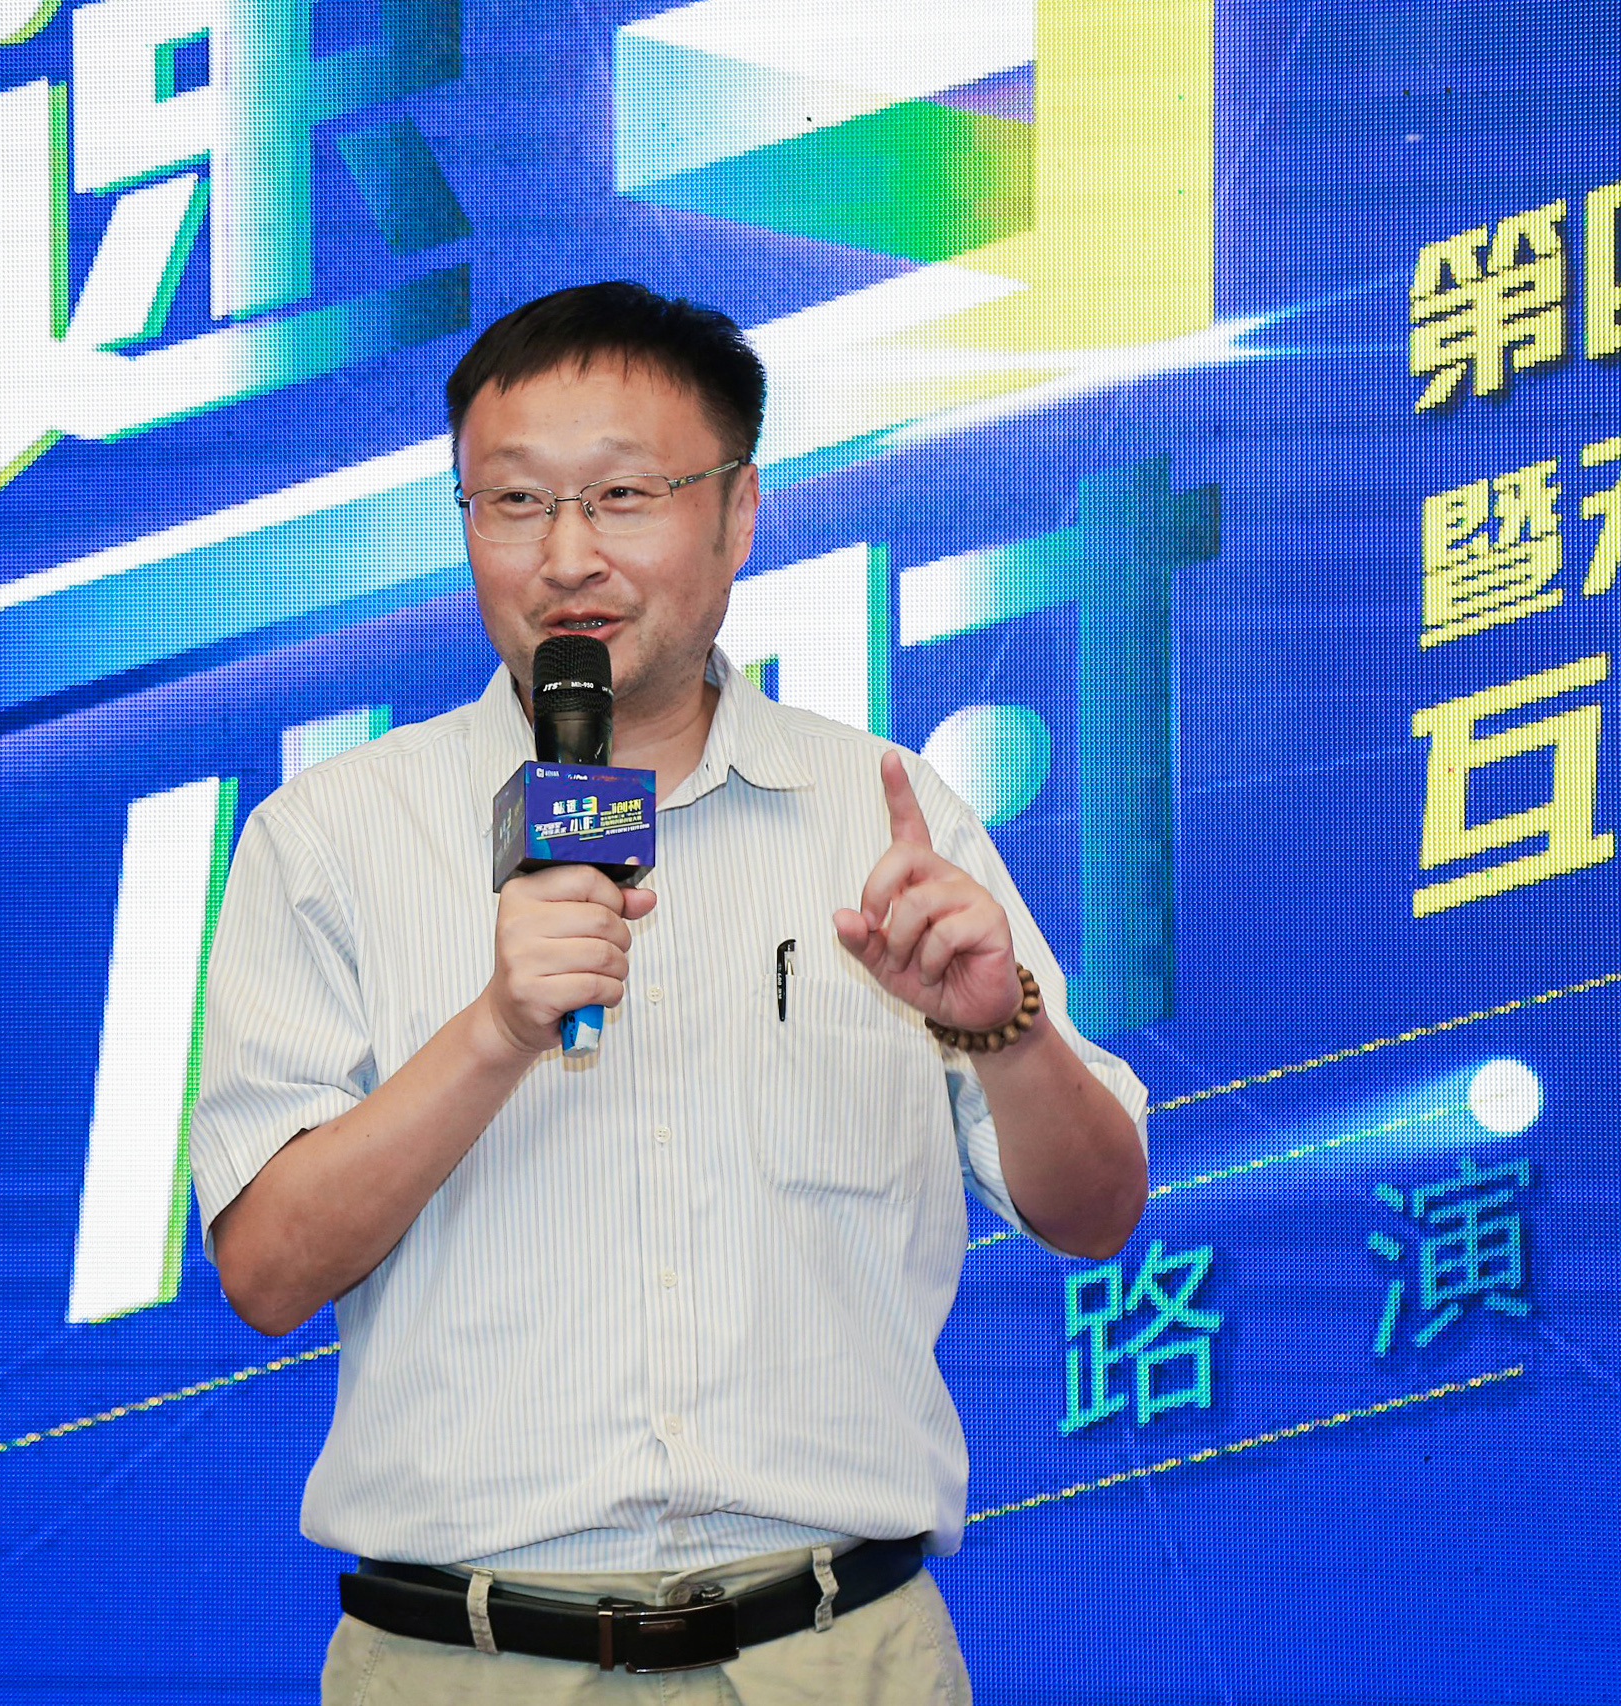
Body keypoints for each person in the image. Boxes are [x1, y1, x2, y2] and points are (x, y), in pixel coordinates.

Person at [190, 281, 1149, 1702]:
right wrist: (496, 1028)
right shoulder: (332, 837)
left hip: (838, 1654)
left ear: (737, 511)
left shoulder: (883, 814)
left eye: (623, 496)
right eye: (514, 502)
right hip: (468, 1663)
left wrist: (998, 1026)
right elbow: (266, 1272)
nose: (567, 555)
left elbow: (1098, 1210)